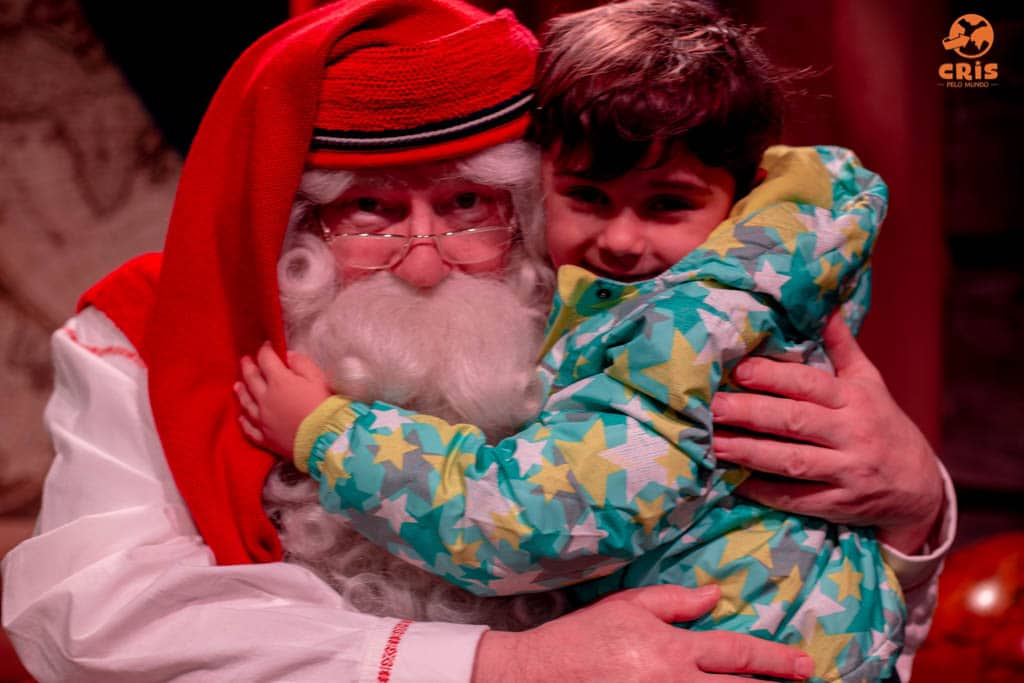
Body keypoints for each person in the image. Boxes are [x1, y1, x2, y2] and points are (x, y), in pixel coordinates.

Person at [1, 1, 953, 681]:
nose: (423, 263)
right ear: (288, 221)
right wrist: (501, 663)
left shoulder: (612, 296)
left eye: (469, 205)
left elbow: (807, 575)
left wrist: (914, 510)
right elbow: (94, 621)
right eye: (367, 212)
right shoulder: (148, 332)